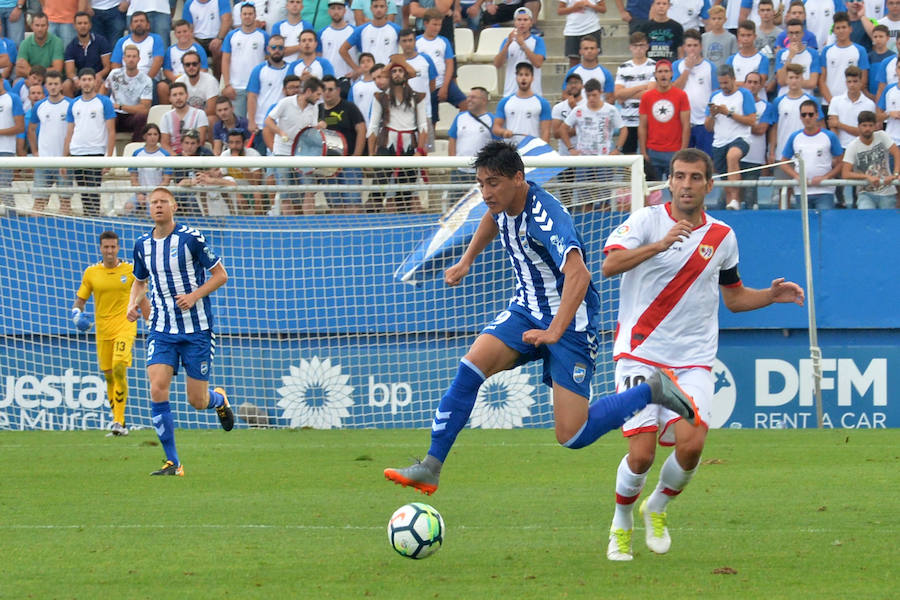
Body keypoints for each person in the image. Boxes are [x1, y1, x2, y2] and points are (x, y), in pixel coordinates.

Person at [384, 140, 702, 497]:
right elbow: (492, 218)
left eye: (493, 183)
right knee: (471, 366)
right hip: (525, 310)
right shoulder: (501, 203)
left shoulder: (546, 216)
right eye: (481, 184)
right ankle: (431, 466)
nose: (486, 192)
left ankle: (653, 390)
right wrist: (467, 260)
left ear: (519, 179)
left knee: (573, 435)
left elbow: (579, 275)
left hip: (572, 324)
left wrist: (555, 330)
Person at [602, 148, 805, 562]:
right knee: (640, 455)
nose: (686, 185)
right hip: (640, 354)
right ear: (669, 182)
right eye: (679, 176)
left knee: (692, 447)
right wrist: (659, 245)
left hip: (691, 359)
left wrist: (770, 295)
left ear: (709, 185)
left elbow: (733, 298)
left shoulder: (722, 237)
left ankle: (656, 507)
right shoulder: (646, 220)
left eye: (696, 177)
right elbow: (610, 266)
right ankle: (620, 522)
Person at [126, 187, 234, 477]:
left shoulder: (191, 238)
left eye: (163, 202)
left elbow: (220, 275)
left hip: (196, 329)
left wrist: (195, 295)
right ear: (149, 208)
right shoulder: (142, 245)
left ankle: (219, 399)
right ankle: (173, 462)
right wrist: (131, 305)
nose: (158, 206)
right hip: (161, 329)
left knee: (196, 401)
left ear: (173, 206)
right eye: (153, 203)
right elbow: (139, 282)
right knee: (157, 387)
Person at [73, 231, 151, 437]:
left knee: (118, 366)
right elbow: (80, 300)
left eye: (113, 247)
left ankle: (118, 421)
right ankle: (119, 421)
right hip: (103, 331)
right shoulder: (91, 272)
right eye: (106, 247)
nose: (109, 251)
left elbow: (141, 295)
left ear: (118, 248)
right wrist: (76, 316)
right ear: (101, 248)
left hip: (125, 326)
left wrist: (149, 321)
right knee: (109, 376)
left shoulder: (130, 270)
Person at [367, 57, 428, 211]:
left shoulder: (417, 97)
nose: (397, 74)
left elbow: (422, 126)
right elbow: (373, 126)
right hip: (386, 144)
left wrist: (420, 151)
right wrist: (370, 154)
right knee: (377, 190)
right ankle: (371, 223)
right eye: (394, 71)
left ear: (406, 75)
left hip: (409, 147)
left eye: (401, 71)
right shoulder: (381, 97)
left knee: (405, 194)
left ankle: (402, 224)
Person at [265, 76, 325, 215]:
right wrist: (280, 132)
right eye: (317, 94)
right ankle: (289, 227)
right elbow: (268, 120)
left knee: (309, 189)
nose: (319, 98)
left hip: (303, 152)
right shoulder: (285, 103)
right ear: (309, 91)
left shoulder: (314, 107)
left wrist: (319, 127)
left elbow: (311, 130)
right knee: (285, 194)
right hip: (282, 152)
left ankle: (309, 225)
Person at [63, 67, 115, 217]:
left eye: (89, 79)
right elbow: (69, 132)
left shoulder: (104, 102)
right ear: (79, 82)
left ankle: (94, 221)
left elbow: (111, 131)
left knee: (93, 191)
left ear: (95, 82)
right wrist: (64, 158)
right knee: (84, 192)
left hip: (96, 152)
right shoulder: (73, 104)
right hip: (77, 152)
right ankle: (88, 221)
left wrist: (109, 158)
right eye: (84, 80)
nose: (86, 83)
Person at [704, 64, 757, 209]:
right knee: (725, 178)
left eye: (726, 82)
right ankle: (732, 205)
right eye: (721, 83)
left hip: (740, 138)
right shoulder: (715, 96)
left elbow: (752, 120)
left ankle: (734, 198)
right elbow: (708, 127)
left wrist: (728, 113)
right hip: (719, 141)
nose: (723, 86)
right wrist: (713, 115)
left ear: (733, 79)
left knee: (732, 156)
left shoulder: (744, 94)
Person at [781, 99, 845, 209]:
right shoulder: (794, 137)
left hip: (824, 190)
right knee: (803, 225)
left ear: (817, 115)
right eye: (804, 115)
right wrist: (797, 176)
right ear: (800, 116)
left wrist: (826, 177)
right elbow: (784, 162)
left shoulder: (829, 136)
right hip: (801, 191)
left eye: (810, 114)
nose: (807, 118)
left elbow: (841, 163)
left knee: (824, 224)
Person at [828, 65, 876, 206]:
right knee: (838, 181)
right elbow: (832, 127)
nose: (852, 85)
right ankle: (840, 202)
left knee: (859, 183)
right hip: (841, 147)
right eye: (849, 82)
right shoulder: (836, 101)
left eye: (855, 81)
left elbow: (865, 131)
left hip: (860, 147)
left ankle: (857, 204)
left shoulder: (869, 104)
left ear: (861, 82)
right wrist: (836, 151)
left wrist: (841, 125)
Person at [319, 74, 366, 211]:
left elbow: (361, 129)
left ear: (338, 90)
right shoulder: (317, 110)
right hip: (327, 166)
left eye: (330, 89)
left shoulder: (349, 108)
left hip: (348, 162)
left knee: (352, 202)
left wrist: (356, 157)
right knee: (334, 204)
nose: (327, 93)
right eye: (324, 90)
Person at [28, 70, 72, 214]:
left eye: (56, 84)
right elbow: (31, 129)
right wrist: (35, 151)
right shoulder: (39, 106)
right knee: (38, 204)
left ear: (61, 86)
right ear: (45, 86)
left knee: (65, 204)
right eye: (50, 84)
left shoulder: (70, 105)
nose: (53, 87)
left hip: (64, 161)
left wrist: (68, 155)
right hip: (43, 161)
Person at [638, 59, 690, 180]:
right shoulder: (647, 97)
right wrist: (643, 152)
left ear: (671, 74)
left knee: (676, 190)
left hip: (674, 151)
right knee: (652, 192)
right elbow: (642, 126)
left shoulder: (681, 95)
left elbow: (686, 125)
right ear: (655, 75)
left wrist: (683, 150)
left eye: (666, 71)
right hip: (653, 151)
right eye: (660, 71)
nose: (663, 74)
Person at [841, 110, 900, 208]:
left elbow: (896, 152)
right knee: (866, 220)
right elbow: (845, 173)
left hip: (887, 192)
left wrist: (895, 174)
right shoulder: (852, 146)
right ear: (859, 126)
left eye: (870, 125)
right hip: (865, 193)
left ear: (875, 126)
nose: (867, 129)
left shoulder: (882, 135)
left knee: (887, 221)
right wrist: (867, 177)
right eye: (864, 125)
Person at [416, 8, 467, 122]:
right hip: (427, 87)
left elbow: (449, 65)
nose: (437, 28)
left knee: (466, 104)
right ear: (426, 23)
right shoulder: (417, 42)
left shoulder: (444, 41)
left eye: (439, 25)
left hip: (444, 83)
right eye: (434, 24)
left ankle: (456, 131)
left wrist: (444, 86)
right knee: (431, 121)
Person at [673, 29, 718, 157]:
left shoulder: (710, 67)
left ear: (701, 47)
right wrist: (687, 69)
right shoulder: (677, 65)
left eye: (695, 45)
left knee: (706, 158)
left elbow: (715, 94)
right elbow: (675, 90)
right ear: (684, 47)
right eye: (689, 45)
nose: (692, 49)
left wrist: (710, 117)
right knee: (684, 158)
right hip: (683, 121)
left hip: (703, 121)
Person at [221, 2, 269, 119]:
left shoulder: (263, 36)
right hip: (237, 87)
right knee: (238, 122)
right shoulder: (231, 36)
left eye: (250, 14)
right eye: (245, 14)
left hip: (257, 86)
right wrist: (227, 85)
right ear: (240, 16)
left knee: (256, 120)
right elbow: (225, 60)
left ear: (255, 15)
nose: (247, 16)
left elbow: (268, 60)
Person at [615, 32, 657, 155]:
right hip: (627, 120)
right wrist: (642, 86)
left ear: (647, 46)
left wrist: (626, 93)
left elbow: (650, 94)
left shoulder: (654, 66)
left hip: (648, 119)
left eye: (642, 45)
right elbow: (617, 94)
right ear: (630, 47)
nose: (639, 49)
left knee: (648, 157)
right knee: (629, 157)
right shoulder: (623, 67)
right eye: (635, 46)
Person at [247, 35, 290, 152]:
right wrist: (251, 121)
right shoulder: (259, 70)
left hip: (284, 126)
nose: (277, 50)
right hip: (262, 124)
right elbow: (252, 96)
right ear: (268, 49)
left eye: (280, 47)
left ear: (284, 50)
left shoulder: (291, 69)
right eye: (274, 47)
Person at [101, 44, 152, 141]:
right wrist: (103, 102)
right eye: (128, 56)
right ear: (124, 59)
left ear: (139, 59)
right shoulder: (114, 74)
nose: (131, 59)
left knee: (142, 116)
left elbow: (144, 108)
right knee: (105, 115)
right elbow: (104, 87)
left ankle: (135, 150)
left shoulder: (146, 80)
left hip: (132, 116)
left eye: (134, 56)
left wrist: (120, 106)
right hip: (115, 114)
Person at [493, 62, 552, 143]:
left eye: (527, 75)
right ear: (516, 78)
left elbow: (546, 132)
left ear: (532, 78)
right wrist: (504, 132)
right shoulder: (505, 102)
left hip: (532, 149)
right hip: (511, 149)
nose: (523, 78)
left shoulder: (542, 103)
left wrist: (542, 150)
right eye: (520, 75)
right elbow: (496, 127)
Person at [447, 86, 496, 185]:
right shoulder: (460, 117)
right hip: (459, 172)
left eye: (473, 97)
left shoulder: (492, 120)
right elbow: (452, 140)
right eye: (468, 97)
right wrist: (454, 164)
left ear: (484, 100)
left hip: (482, 173)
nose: (469, 100)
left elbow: (497, 144)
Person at [494, 7, 546, 98]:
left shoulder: (538, 41)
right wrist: (507, 44)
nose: (522, 23)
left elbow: (538, 63)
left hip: (533, 93)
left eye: (525, 20)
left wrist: (522, 44)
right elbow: (497, 64)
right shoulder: (507, 41)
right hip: (511, 92)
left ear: (530, 23)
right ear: (515, 22)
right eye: (519, 20)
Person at [340, 0, 400, 73]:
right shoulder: (362, 29)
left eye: (382, 6)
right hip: (369, 75)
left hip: (388, 74)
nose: (379, 9)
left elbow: (408, 48)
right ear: (371, 8)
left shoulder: (396, 29)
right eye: (376, 6)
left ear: (386, 9)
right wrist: (357, 69)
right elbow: (343, 50)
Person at [63, 11, 112, 97]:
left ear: (90, 25)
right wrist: (76, 79)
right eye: (79, 23)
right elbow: (69, 72)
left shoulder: (101, 41)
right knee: (66, 85)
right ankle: (72, 108)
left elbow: (107, 67)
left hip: (97, 76)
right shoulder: (71, 46)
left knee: (98, 82)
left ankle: (97, 108)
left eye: (85, 23)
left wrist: (98, 75)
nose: (83, 26)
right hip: (80, 78)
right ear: (74, 26)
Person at [219, 128, 264, 214]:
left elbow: (256, 183)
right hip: (234, 190)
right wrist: (236, 193)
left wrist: (241, 163)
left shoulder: (253, 154)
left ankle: (258, 222)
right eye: (231, 143)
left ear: (244, 143)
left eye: (237, 142)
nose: (234, 146)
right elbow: (223, 178)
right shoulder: (225, 155)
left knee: (257, 194)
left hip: (251, 190)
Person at [180, 0, 230, 73]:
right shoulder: (189, 3)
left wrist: (219, 38)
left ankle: (218, 79)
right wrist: (194, 42)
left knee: (219, 49)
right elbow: (187, 27)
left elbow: (227, 20)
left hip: (216, 37)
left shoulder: (221, 1)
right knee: (193, 51)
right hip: (196, 39)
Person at [159, 81, 209, 154]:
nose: (178, 98)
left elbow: (201, 141)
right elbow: (164, 144)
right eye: (174, 95)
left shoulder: (200, 114)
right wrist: (177, 159)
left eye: (181, 94)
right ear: (169, 98)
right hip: (174, 158)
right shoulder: (166, 117)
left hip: (195, 156)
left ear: (187, 95)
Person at [562, 34, 615, 103]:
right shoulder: (573, 72)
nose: (589, 51)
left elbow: (610, 99)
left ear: (597, 51)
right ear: (580, 51)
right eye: (586, 48)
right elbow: (565, 95)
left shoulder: (605, 73)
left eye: (592, 48)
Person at [775, 18, 822, 96]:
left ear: (802, 34)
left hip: (806, 98)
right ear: (787, 34)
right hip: (785, 98)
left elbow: (812, 83)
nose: (794, 36)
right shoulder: (781, 53)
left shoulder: (813, 54)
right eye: (791, 33)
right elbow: (781, 81)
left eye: (797, 33)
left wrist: (790, 82)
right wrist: (790, 57)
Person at [173, 49, 219, 121]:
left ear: (199, 65)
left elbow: (212, 110)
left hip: (204, 118)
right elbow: (174, 107)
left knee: (211, 119)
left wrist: (193, 119)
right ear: (183, 66)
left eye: (194, 64)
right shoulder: (179, 82)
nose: (191, 67)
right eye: (187, 65)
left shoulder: (210, 81)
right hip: (185, 118)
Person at [0, 70, 23, 212]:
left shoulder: (12, 98)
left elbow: (20, 127)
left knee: (4, 186)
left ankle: (12, 218)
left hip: (6, 150)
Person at [15, 12, 64, 79]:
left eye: (43, 25)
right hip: (30, 79)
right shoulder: (24, 43)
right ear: (32, 26)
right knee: (17, 81)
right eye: (37, 25)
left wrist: (30, 71)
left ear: (48, 26)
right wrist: (37, 75)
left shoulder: (57, 42)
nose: (40, 29)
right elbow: (19, 70)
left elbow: (57, 70)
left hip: (50, 79)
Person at [558, 0, 606, 68]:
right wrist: (573, 8)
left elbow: (603, 9)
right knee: (574, 60)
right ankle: (574, 78)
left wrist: (590, 5)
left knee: (593, 58)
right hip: (572, 31)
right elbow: (560, 11)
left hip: (592, 28)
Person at [163, 20, 210, 84]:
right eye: (179, 32)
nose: (182, 34)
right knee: (162, 86)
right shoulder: (170, 50)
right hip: (176, 80)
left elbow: (204, 68)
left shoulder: (198, 49)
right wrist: (176, 80)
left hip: (194, 79)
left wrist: (192, 79)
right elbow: (166, 70)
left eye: (185, 31)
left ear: (190, 32)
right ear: (175, 34)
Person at [318, 0, 355, 79]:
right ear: (329, 11)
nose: (336, 11)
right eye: (333, 8)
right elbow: (318, 58)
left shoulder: (354, 31)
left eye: (339, 8)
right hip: (328, 80)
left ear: (344, 11)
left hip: (348, 79)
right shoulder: (322, 33)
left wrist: (357, 70)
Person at [726, 20, 769, 87]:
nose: (745, 39)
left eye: (749, 35)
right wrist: (750, 83)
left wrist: (737, 83)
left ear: (755, 36)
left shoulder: (762, 58)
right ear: (738, 37)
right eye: (742, 35)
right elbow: (728, 82)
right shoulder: (731, 59)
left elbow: (760, 83)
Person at [272, 0, 313, 64]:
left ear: (302, 7)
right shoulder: (278, 26)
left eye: (298, 2)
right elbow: (275, 51)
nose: (295, 5)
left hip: (299, 67)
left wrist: (295, 65)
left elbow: (308, 50)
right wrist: (300, 46)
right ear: (287, 6)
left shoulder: (307, 26)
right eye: (292, 2)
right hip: (281, 67)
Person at [700, 5, 734, 69]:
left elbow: (733, 58)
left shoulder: (731, 38)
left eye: (719, 18)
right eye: (714, 18)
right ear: (709, 20)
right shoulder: (704, 37)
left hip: (724, 73)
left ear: (725, 20)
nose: (716, 21)